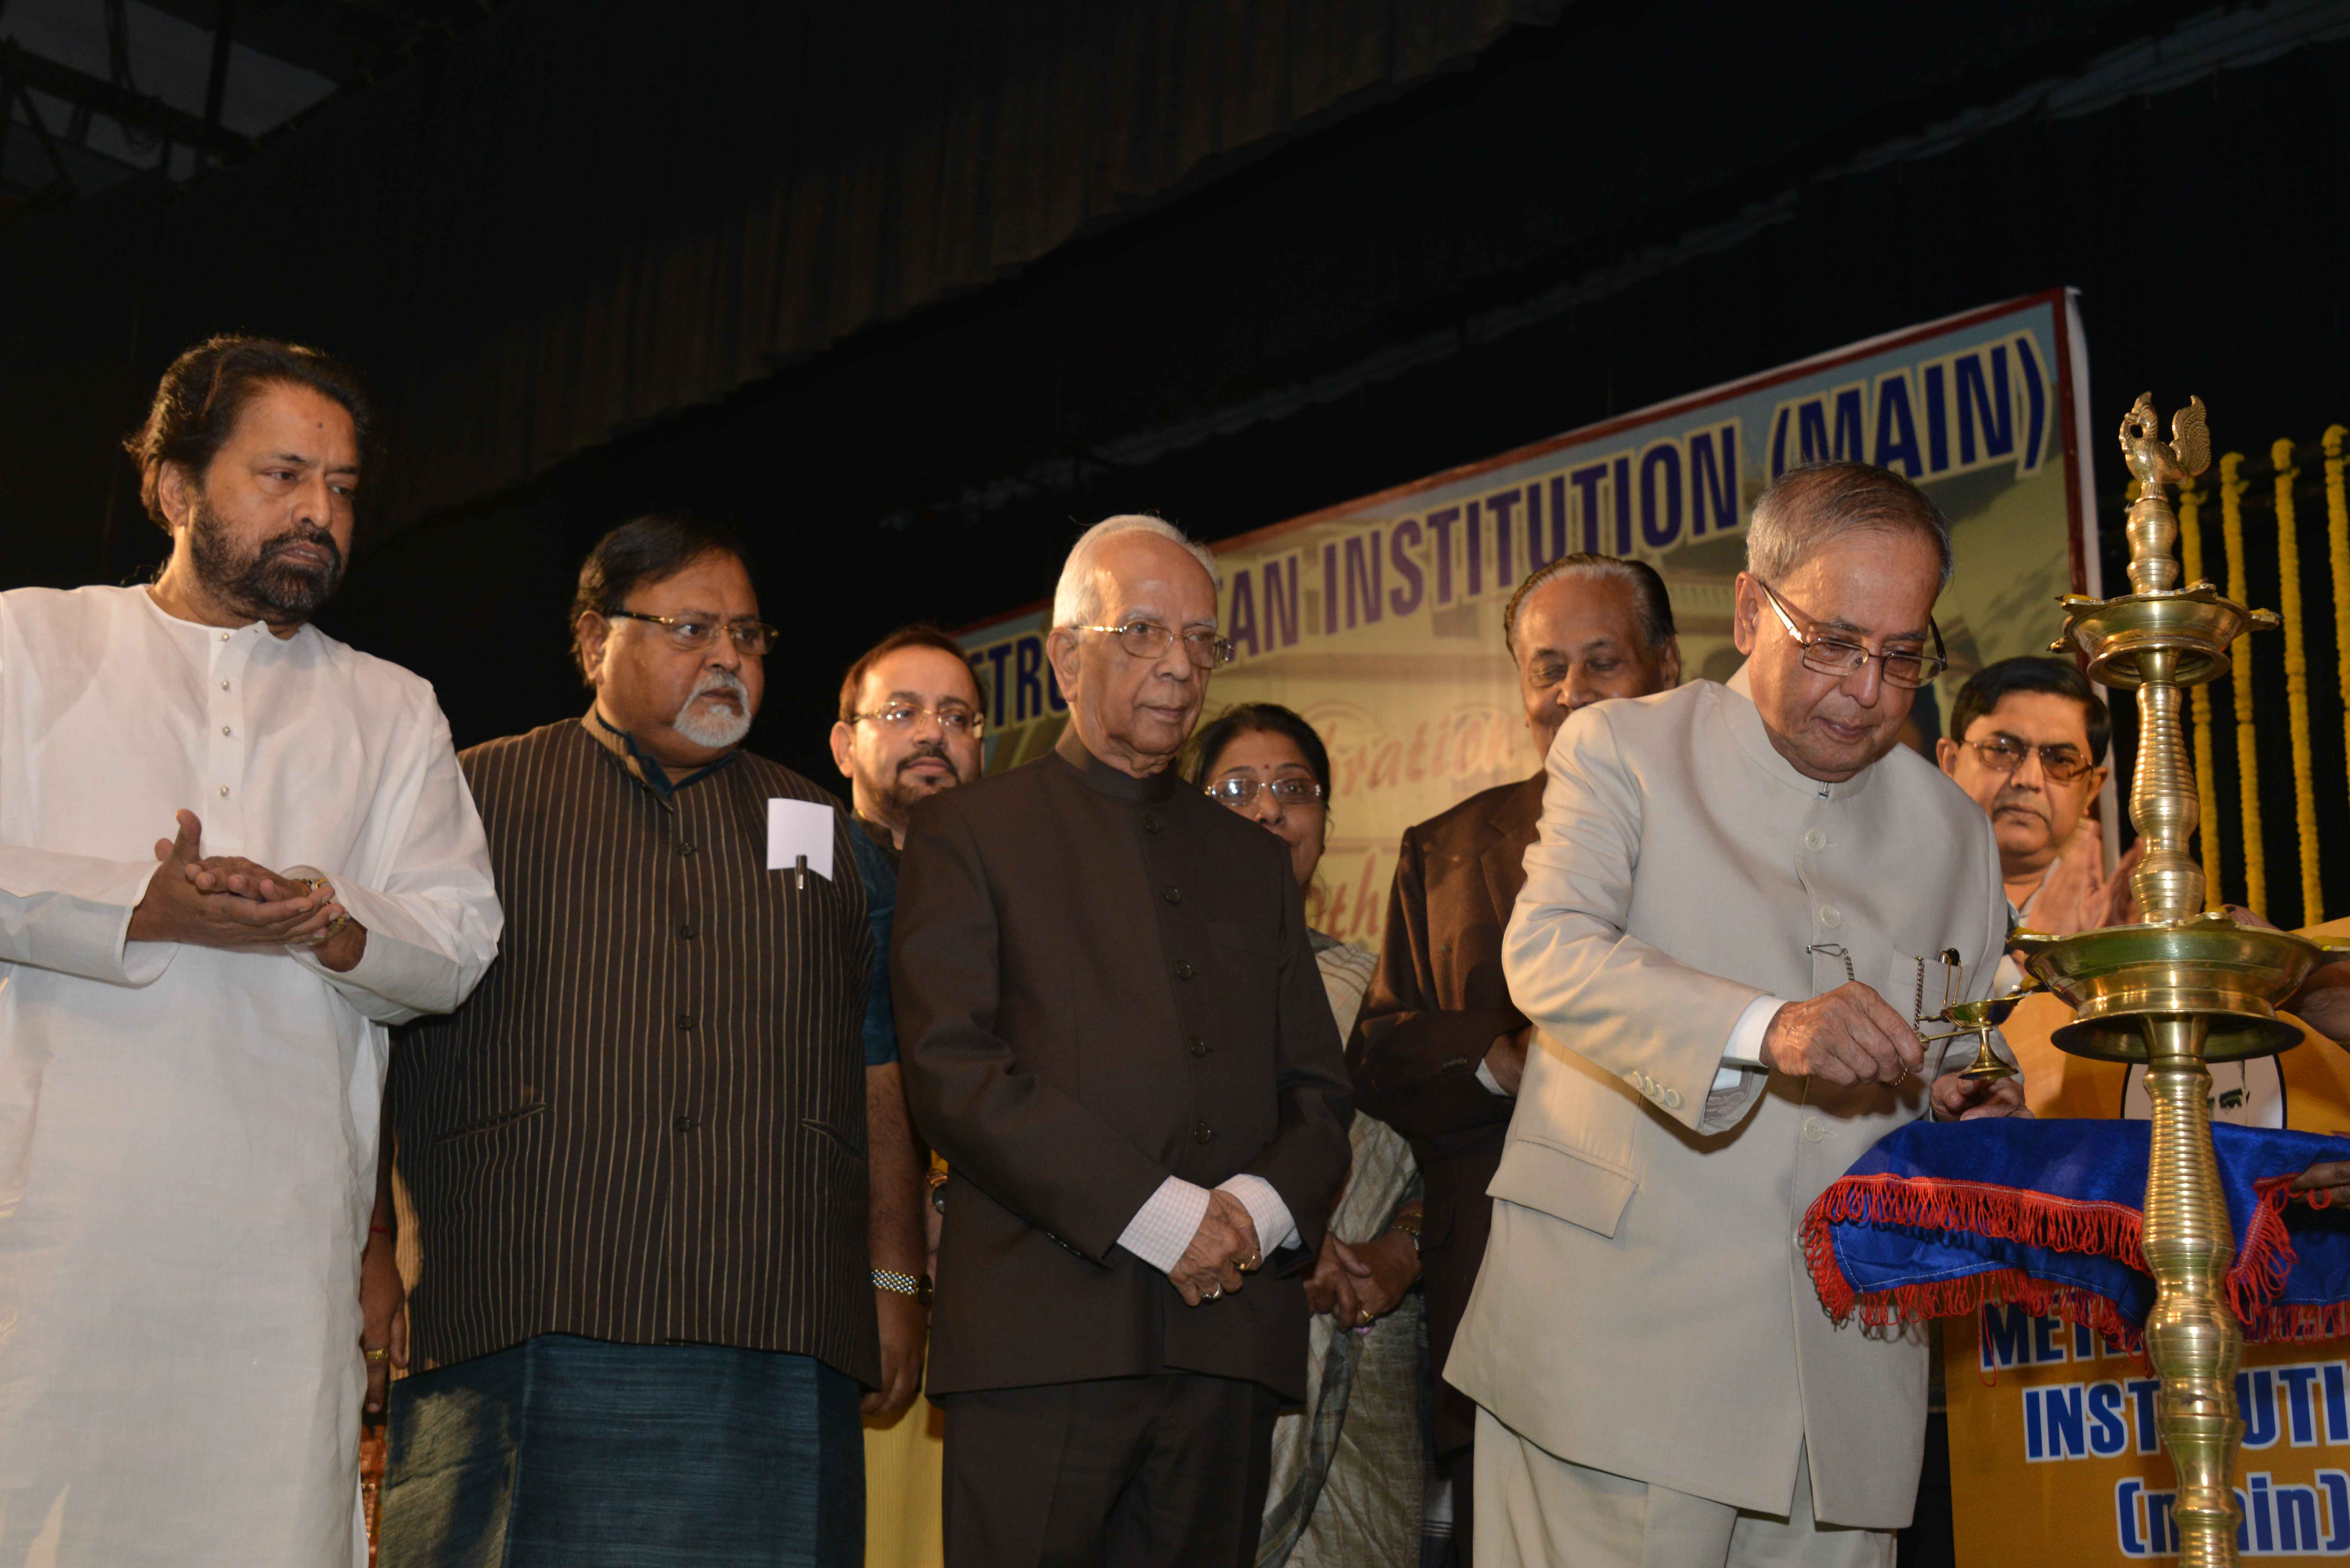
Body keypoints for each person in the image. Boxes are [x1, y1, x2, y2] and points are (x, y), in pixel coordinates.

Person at [1451, 462, 2031, 1567]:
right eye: (1835, 644)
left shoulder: (1955, 830)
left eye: (1901, 655)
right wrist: (1772, 1028)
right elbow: (1552, 954)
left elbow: (1960, 1042)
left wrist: (1974, 1093)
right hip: (1618, 1352)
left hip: (1850, 1371)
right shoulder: (1622, 748)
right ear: (1751, 612)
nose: (1867, 688)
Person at [0, 335, 502, 1566]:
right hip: (47, 1232)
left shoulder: (393, 708)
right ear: (175, 489)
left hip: (278, 1254)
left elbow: (457, 939)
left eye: (338, 487)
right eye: (283, 476)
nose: (319, 515)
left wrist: (329, 920)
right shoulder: (29, 646)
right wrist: (141, 904)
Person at [379, 515, 916, 1567]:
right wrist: (363, 1250)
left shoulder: (828, 835)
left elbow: (877, 1065)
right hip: (523, 1302)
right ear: (593, 641)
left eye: (750, 636)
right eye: (690, 627)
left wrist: (894, 1279)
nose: (728, 658)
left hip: (778, 1322)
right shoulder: (464, 800)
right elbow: (367, 1030)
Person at [893, 513, 1355, 1567]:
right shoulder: (972, 833)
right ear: (1065, 656)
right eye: (1143, 633)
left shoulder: (1249, 861)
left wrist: (1248, 1214)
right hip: (1042, 1341)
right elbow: (953, 1069)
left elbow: (1318, 1095)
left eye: (1203, 642)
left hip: (1227, 1343)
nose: (1180, 666)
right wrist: (1160, 1216)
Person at [1349, 551, 1681, 1560]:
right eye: (1545, 669)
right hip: (1508, 1317)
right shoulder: (1442, 849)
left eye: (1600, 662)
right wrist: (1497, 1059)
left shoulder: (1735, 835)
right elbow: (1379, 1052)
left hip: (1696, 1304)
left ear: (1664, 669)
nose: (1569, 693)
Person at [1186, 702, 1426, 1567]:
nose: (1268, 810)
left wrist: (1397, 1248)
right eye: (1236, 789)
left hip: (1357, 1367)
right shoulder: (1146, 993)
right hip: (1186, 1353)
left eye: (1294, 789)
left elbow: (1449, 1167)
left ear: (1324, 820)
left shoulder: (1380, 991)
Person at [829, 623, 987, 1568]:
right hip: (843, 1294)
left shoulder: (1013, 892)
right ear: (845, 743)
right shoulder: (795, 881)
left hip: (988, 1306)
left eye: (956, 716)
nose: (932, 732)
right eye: (902, 711)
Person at [1936, 655, 2134, 937]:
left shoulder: (2112, 925)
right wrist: (2053, 959)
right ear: (1951, 763)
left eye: (2060, 760)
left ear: (2091, 789)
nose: (2028, 780)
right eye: (2002, 750)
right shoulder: (1888, 894)